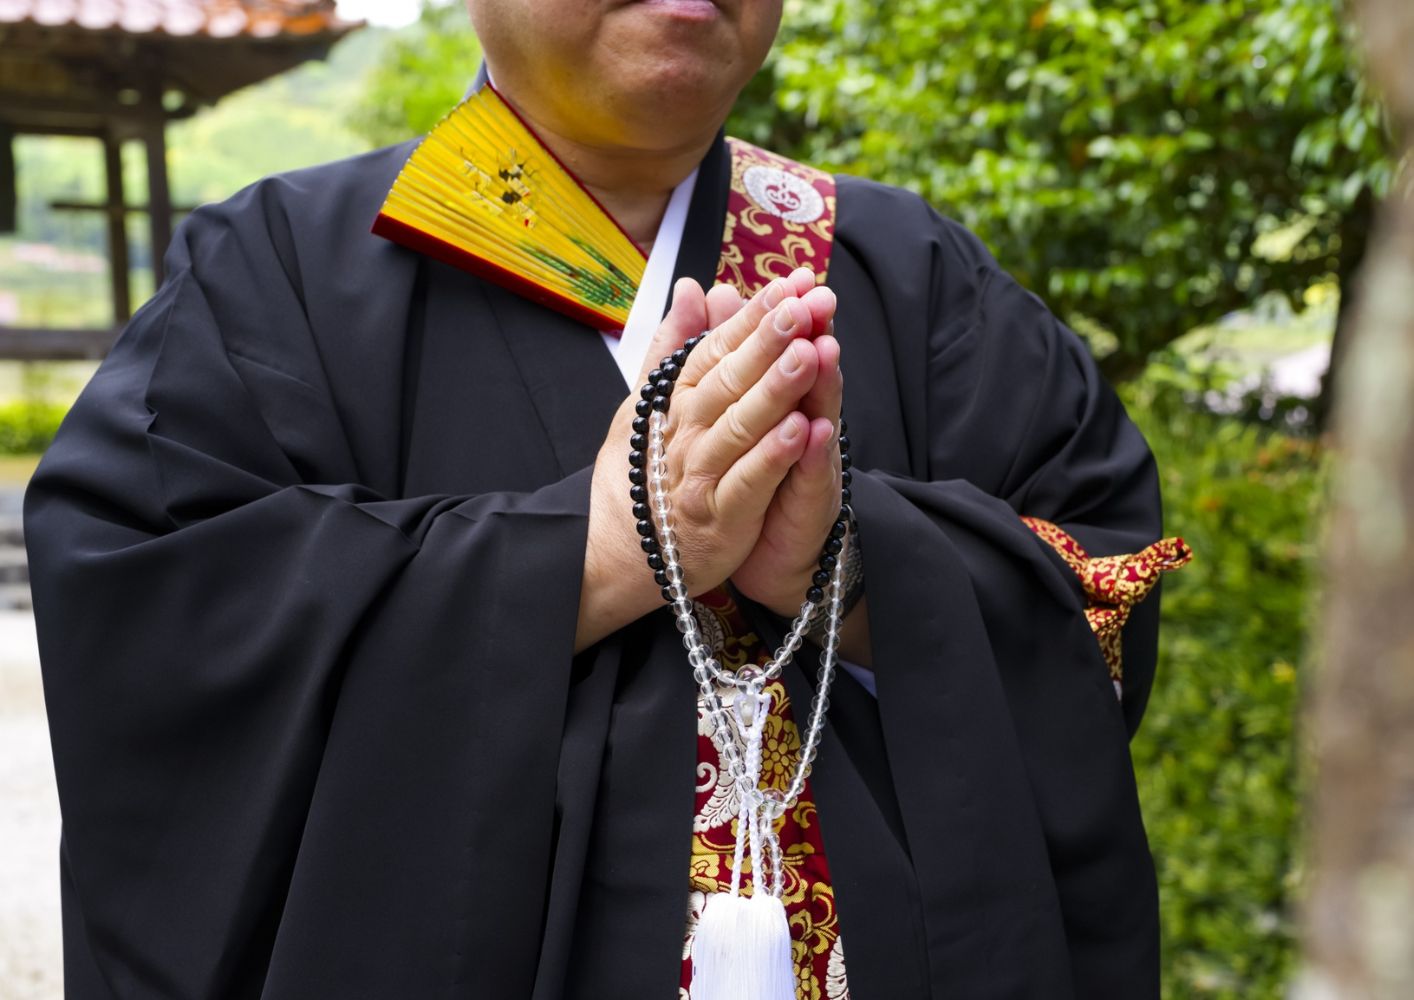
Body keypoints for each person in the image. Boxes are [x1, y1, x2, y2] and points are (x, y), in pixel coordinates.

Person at [26, 1, 1185, 997]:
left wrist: (852, 570)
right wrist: (585, 556)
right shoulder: (276, 276)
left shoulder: (917, 278)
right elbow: (149, 641)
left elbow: (1099, 596)